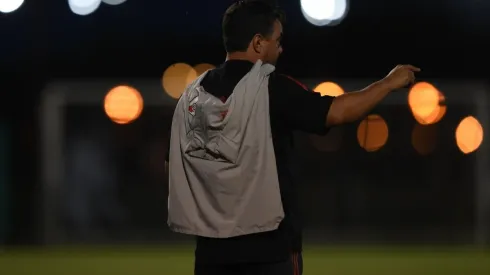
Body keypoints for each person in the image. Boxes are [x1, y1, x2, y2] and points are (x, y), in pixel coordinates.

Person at [165, 1, 420, 274]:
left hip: (210, 253)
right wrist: (388, 83)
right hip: (269, 251)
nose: (281, 48)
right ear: (258, 43)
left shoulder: (192, 94)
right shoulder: (271, 88)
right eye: (278, 40)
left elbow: (173, 165)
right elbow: (337, 112)